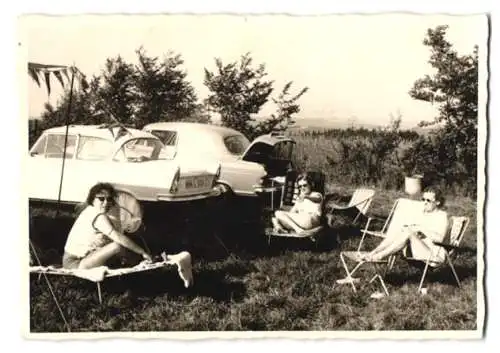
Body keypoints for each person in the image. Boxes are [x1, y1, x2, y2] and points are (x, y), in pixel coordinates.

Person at [62, 182, 152, 269]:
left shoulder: (92, 210)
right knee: (117, 246)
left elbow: (118, 232)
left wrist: (115, 212)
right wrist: (142, 251)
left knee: (118, 245)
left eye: (109, 199)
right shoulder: (96, 215)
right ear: (92, 200)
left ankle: (139, 262)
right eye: (101, 199)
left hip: (85, 258)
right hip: (75, 263)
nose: (106, 203)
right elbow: (118, 237)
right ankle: (140, 262)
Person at [361, 187, 449, 263]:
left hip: (432, 254)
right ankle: (373, 252)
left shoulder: (442, 216)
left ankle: (380, 256)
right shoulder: (423, 214)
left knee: (408, 232)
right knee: (401, 230)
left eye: (428, 200)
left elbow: (440, 239)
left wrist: (421, 230)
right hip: (415, 248)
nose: (424, 202)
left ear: (438, 202)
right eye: (423, 199)